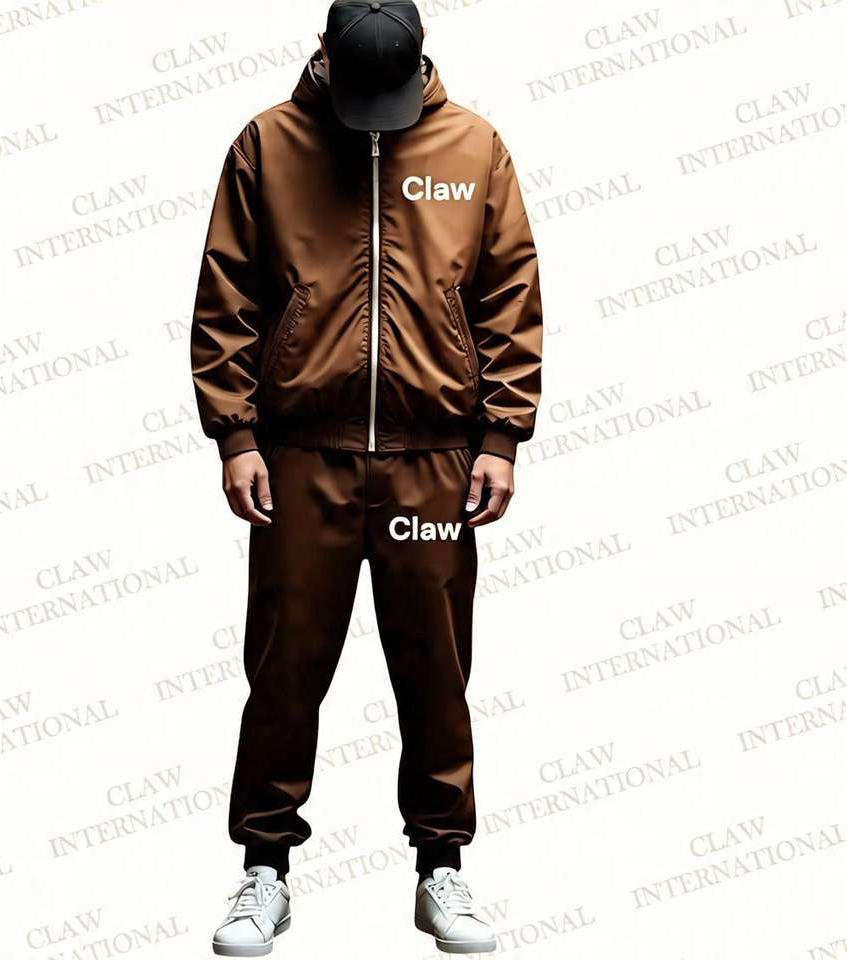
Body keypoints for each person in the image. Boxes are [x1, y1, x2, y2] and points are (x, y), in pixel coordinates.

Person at [190, 1, 542, 954]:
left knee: (435, 666)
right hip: (302, 456)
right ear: (323, 58)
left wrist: (502, 437)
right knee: (285, 665)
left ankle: (441, 868)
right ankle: (265, 868)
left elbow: (509, 293)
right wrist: (236, 435)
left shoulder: (474, 149)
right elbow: (227, 294)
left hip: (435, 461)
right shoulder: (269, 146)